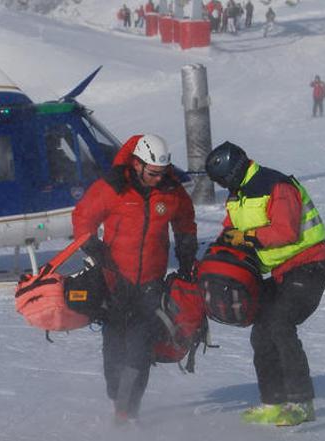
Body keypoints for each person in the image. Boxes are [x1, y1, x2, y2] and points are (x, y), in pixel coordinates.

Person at [72, 134, 198, 424]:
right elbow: (82, 218)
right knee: (115, 345)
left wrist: (187, 249)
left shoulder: (171, 191)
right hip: (114, 281)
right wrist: (92, 246)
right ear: (138, 164)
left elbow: (185, 221)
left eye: (162, 172)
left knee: (141, 349)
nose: (158, 178)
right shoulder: (113, 187)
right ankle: (118, 396)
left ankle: (128, 410)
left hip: (151, 282)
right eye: (153, 173)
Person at [205, 141, 325, 427]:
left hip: (310, 264)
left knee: (279, 323)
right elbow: (231, 228)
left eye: (223, 181)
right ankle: (273, 402)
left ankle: (301, 402)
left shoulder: (276, 186)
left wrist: (248, 237)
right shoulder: (238, 195)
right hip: (280, 271)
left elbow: (285, 231)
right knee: (261, 332)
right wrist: (221, 247)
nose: (224, 187)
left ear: (233, 171)